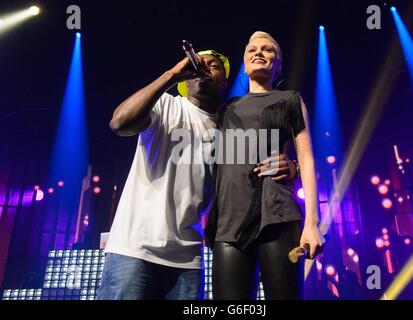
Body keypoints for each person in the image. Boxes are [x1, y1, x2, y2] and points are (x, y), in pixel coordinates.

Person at [97, 48, 298, 300]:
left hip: (188, 260)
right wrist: (172, 75)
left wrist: (292, 167)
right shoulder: (167, 105)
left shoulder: (230, 127)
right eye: (197, 65)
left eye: (213, 66)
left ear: (224, 82)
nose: (203, 70)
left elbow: (258, 166)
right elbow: (120, 123)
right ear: (186, 79)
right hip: (134, 250)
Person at [206, 31, 325, 300]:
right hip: (229, 225)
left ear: (278, 64)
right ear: (244, 64)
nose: (259, 52)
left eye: (268, 49)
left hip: (278, 217)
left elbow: (306, 159)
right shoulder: (226, 109)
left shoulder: (289, 100)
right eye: (252, 50)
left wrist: (313, 223)